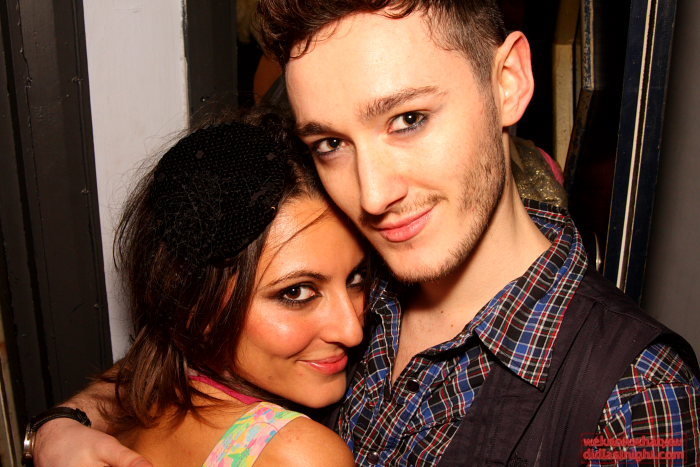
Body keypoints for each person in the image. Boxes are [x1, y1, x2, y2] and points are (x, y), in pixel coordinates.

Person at [31, 1, 700, 465]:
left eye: (408, 119)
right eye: (330, 143)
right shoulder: (353, 271)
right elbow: (176, 362)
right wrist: (58, 429)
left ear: (508, 81)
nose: (373, 196)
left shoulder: (637, 392)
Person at [32, 112, 362, 466]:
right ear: (195, 305)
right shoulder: (299, 453)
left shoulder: (161, 387)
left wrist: (55, 425)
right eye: (296, 293)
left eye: (357, 278)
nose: (352, 330)